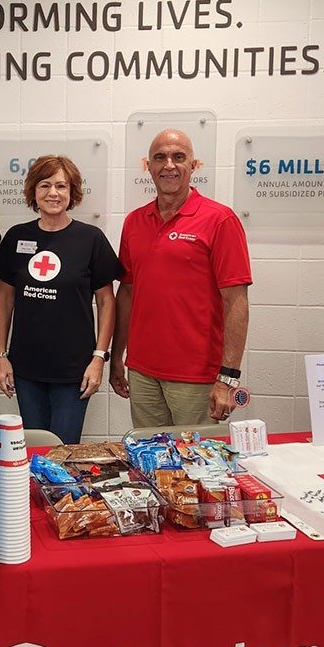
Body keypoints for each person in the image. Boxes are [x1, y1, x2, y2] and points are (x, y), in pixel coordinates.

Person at [110, 128, 251, 427]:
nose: (169, 165)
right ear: (148, 166)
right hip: (142, 373)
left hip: (196, 378)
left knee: (196, 468)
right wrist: (117, 358)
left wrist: (228, 378)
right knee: (152, 464)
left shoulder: (220, 220)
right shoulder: (134, 221)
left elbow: (236, 301)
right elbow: (127, 293)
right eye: (160, 158)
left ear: (194, 165)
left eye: (179, 157)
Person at [0, 155, 122, 444]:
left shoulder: (91, 239)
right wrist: (1, 356)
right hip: (26, 369)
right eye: (45, 185)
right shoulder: (17, 237)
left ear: (72, 192)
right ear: (33, 192)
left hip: (75, 370)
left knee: (63, 449)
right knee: (33, 449)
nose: (53, 193)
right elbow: (4, 297)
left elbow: (106, 301)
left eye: (61, 186)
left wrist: (99, 358)